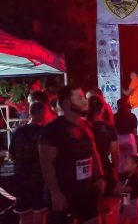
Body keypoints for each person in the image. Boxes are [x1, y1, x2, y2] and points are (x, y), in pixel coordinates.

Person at [39, 85, 105, 224]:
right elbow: (46, 164)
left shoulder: (85, 126)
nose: (84, 100)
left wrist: (99, 177)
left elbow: (93, 153)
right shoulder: (52, 130)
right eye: (79, 97)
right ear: (67, 103)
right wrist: (55, 193)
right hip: (64, 194)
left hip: (86, 191)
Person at [9, 102, 48, 224]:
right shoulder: (43, 132)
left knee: (23, 213)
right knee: (38, 211)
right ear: (40, 113)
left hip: (20, 177)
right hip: (38, 178)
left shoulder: (17, 132)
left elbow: (11, 155)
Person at [87, 96, 119, 224]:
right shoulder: (108, 128)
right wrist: (115, 169)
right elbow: (115, 152)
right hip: (104, 166)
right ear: (102, 110)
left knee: (89, 207)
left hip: (86, 169)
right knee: (104, 204)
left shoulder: (83, 126)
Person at [114, 98, 138, 180]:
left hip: (119, 139)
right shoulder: (132, 116)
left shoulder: (114, 117)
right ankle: (131, 179)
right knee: (131, 160)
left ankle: (121, 179)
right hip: (129, 139)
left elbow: (114, 130)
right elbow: (135, 131)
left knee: (120, 161)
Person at [118, 154, 138, 224]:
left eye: (127, 163)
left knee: (132, 220)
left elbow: (131, 188)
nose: (125, 164)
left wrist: (121, 189)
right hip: (125, 199)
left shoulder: (135, 177)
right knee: (121, 218)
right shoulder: (127, 175)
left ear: (134, 165)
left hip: (133, 201)